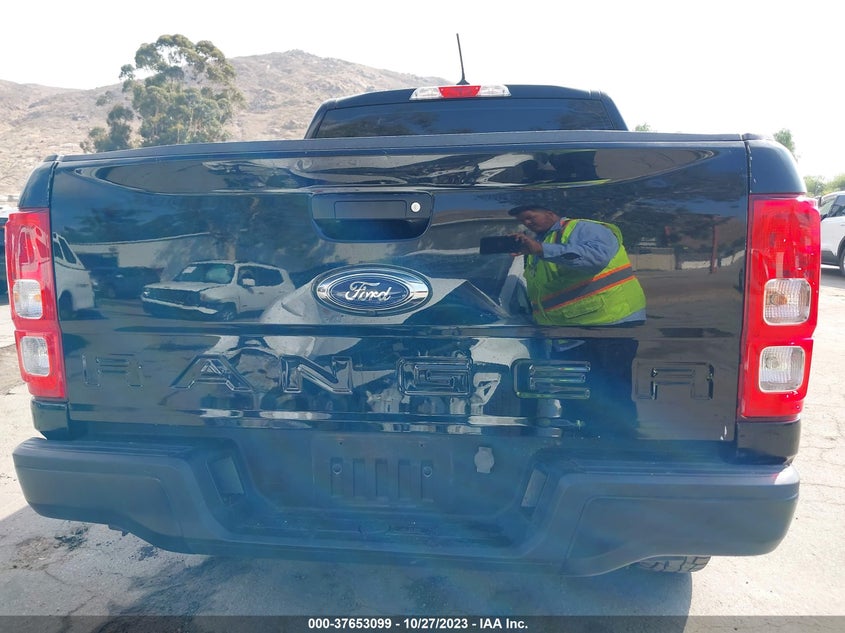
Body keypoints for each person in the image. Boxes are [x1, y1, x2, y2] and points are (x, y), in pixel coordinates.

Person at [507, 204, 646, 326]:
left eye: (530, 217)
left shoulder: (583, 228)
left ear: (550, 213)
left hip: (611, 319)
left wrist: (542, 249)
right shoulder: (540, 242)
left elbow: (597, 259)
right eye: (522, 221)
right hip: (571, 326)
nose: (527, 223)